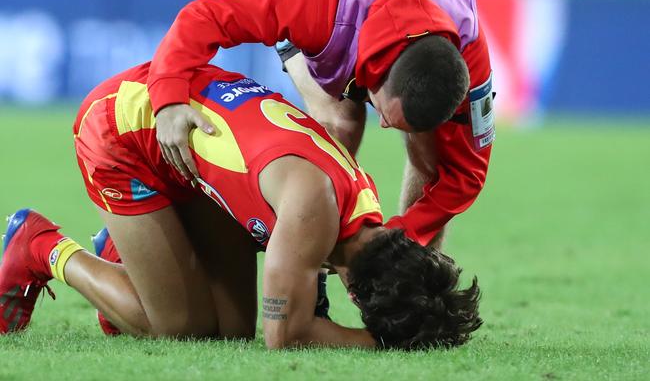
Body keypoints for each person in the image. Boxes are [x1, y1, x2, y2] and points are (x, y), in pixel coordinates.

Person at [0, 62, 481, 350]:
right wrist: (380, 343)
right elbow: (284, 335)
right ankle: (40, 246)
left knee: (229, 331)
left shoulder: (361, 208)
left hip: (194, 150)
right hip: (126, 130)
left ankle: (125, 259)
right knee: (180, 330)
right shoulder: (313, 213)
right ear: (355, 292)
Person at [148, 0, 494, 251]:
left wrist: (402, 235)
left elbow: (465, 175)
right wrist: (168, 100)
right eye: (388, 117)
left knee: (432, 156)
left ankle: (410, 275)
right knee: (340, 121)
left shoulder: (467, 44)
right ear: (372, 75)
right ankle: (310, 268)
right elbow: (204, 17)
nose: (385, 127)